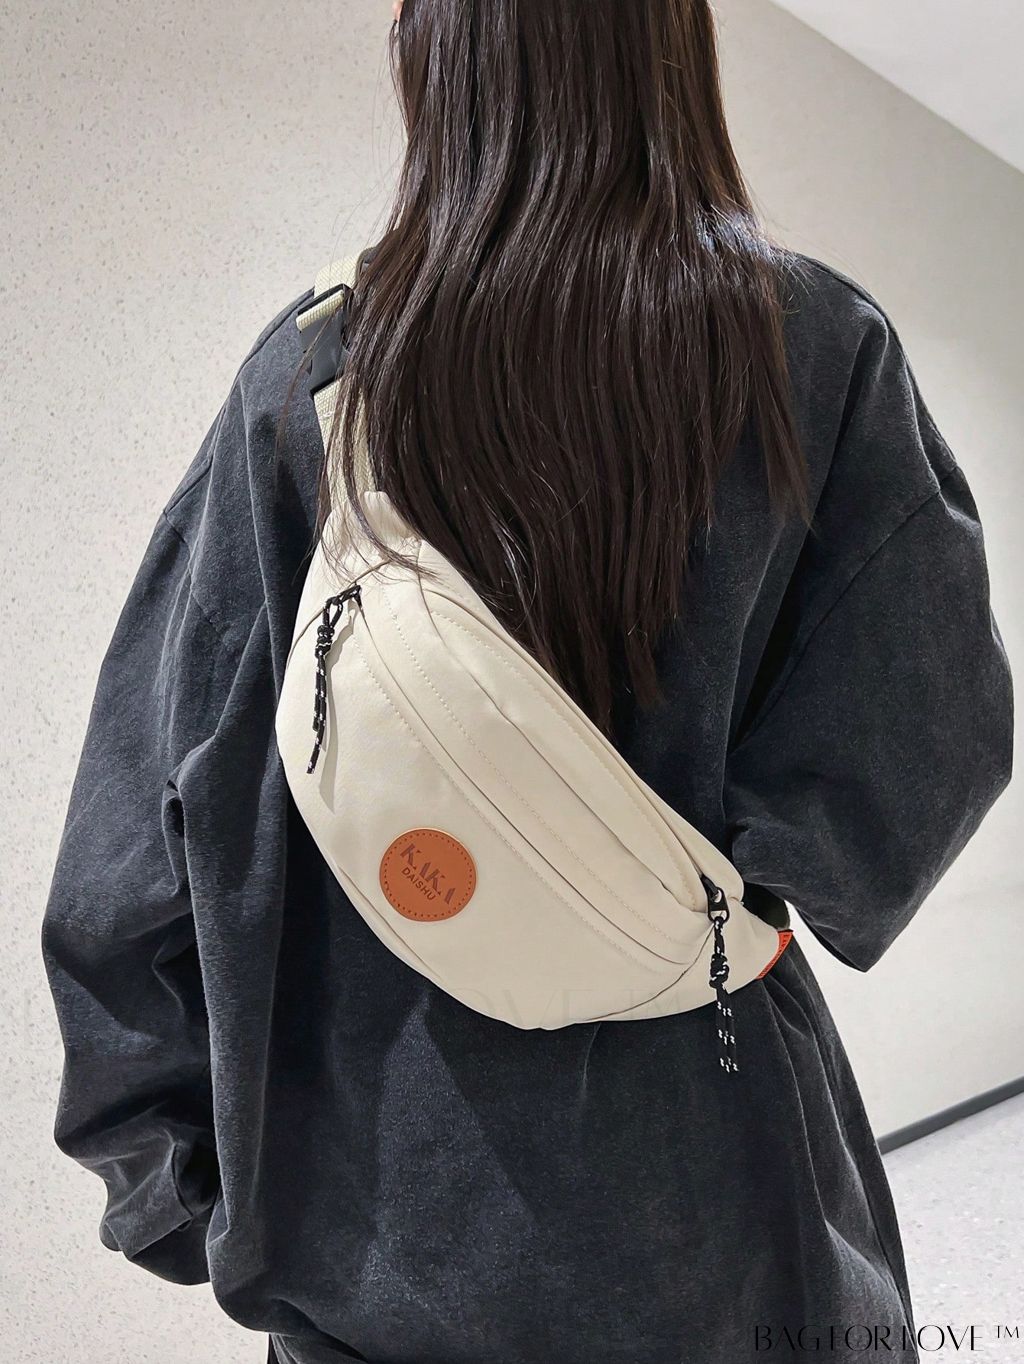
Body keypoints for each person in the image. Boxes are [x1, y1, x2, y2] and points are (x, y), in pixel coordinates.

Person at [40, 2, 1012, 1362]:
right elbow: (926, 750)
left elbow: (140, 839)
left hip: (381, 1215)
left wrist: (173, 1187)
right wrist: (726, 885)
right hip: (719, 1178)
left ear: (437, 62)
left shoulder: (308, 384)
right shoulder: (815, 346)